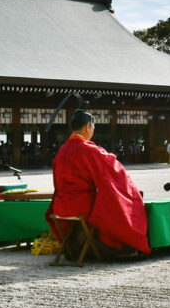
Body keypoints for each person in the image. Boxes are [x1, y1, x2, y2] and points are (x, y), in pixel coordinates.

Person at [47, 110, 150, 259]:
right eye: (93, 127)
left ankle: (76, 249)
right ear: (88, 126)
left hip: (60, 207)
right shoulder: (89, 150)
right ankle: (120, 247)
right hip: (81, 206)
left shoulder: (62, 151)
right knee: (112, 207)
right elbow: (112, 170)